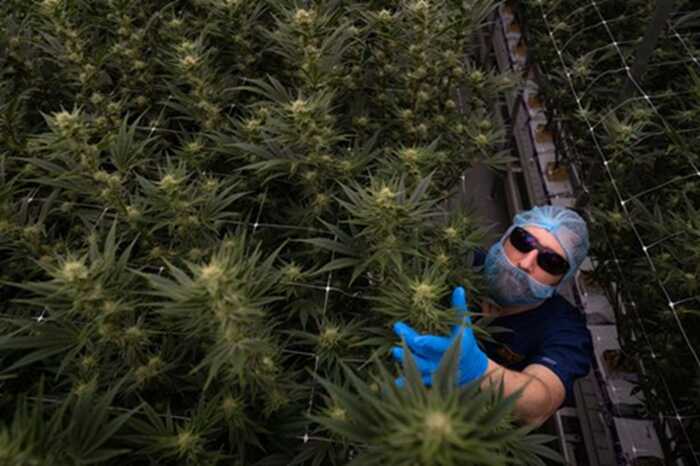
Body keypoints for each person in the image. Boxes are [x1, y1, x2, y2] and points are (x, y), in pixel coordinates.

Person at [391, 205, 593, 427]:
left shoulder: (565, 330)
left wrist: (481, 372)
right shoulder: (455, 260)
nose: (525, 263)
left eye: (550, 262)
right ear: (506, 237)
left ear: (562, 280)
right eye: (523, 241)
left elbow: (540, 403)